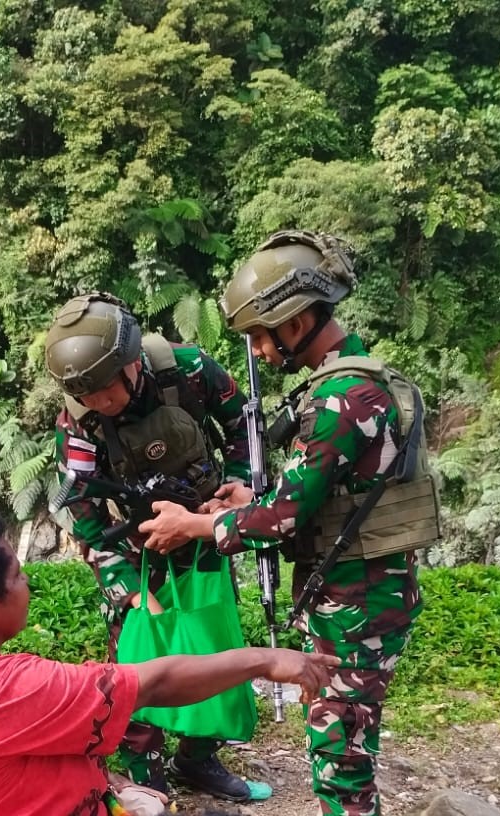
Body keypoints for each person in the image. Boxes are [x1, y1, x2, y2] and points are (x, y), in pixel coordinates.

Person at [140, 230, 436, 816]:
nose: (259, 351)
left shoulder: (339, 401)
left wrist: (196, 526)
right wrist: (250, 497)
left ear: (295, 324)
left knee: (341, 762)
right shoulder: (356, 385)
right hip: (364, 594)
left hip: (355, 607)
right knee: (344, 745)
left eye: (258, 335)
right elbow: (326, 499)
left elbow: (281, 521)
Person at [0, 507, 340, 816]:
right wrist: (265, 659)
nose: (28, 582)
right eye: (18, 575)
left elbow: (20, 752)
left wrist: (113, 784)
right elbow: (154, 684)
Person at [43, 291, 267, 801]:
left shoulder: (187, 370)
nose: (99, 402)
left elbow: (243, 428)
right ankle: (145, 772)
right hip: (137, 548)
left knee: (209, 644)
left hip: (204, 529)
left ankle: (199, 757)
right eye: (87, 395)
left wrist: (238, 487)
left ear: (130, 363)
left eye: (106, 390)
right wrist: (124, 587)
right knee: (136, 658)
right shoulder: (78, 419)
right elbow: (80, 506)